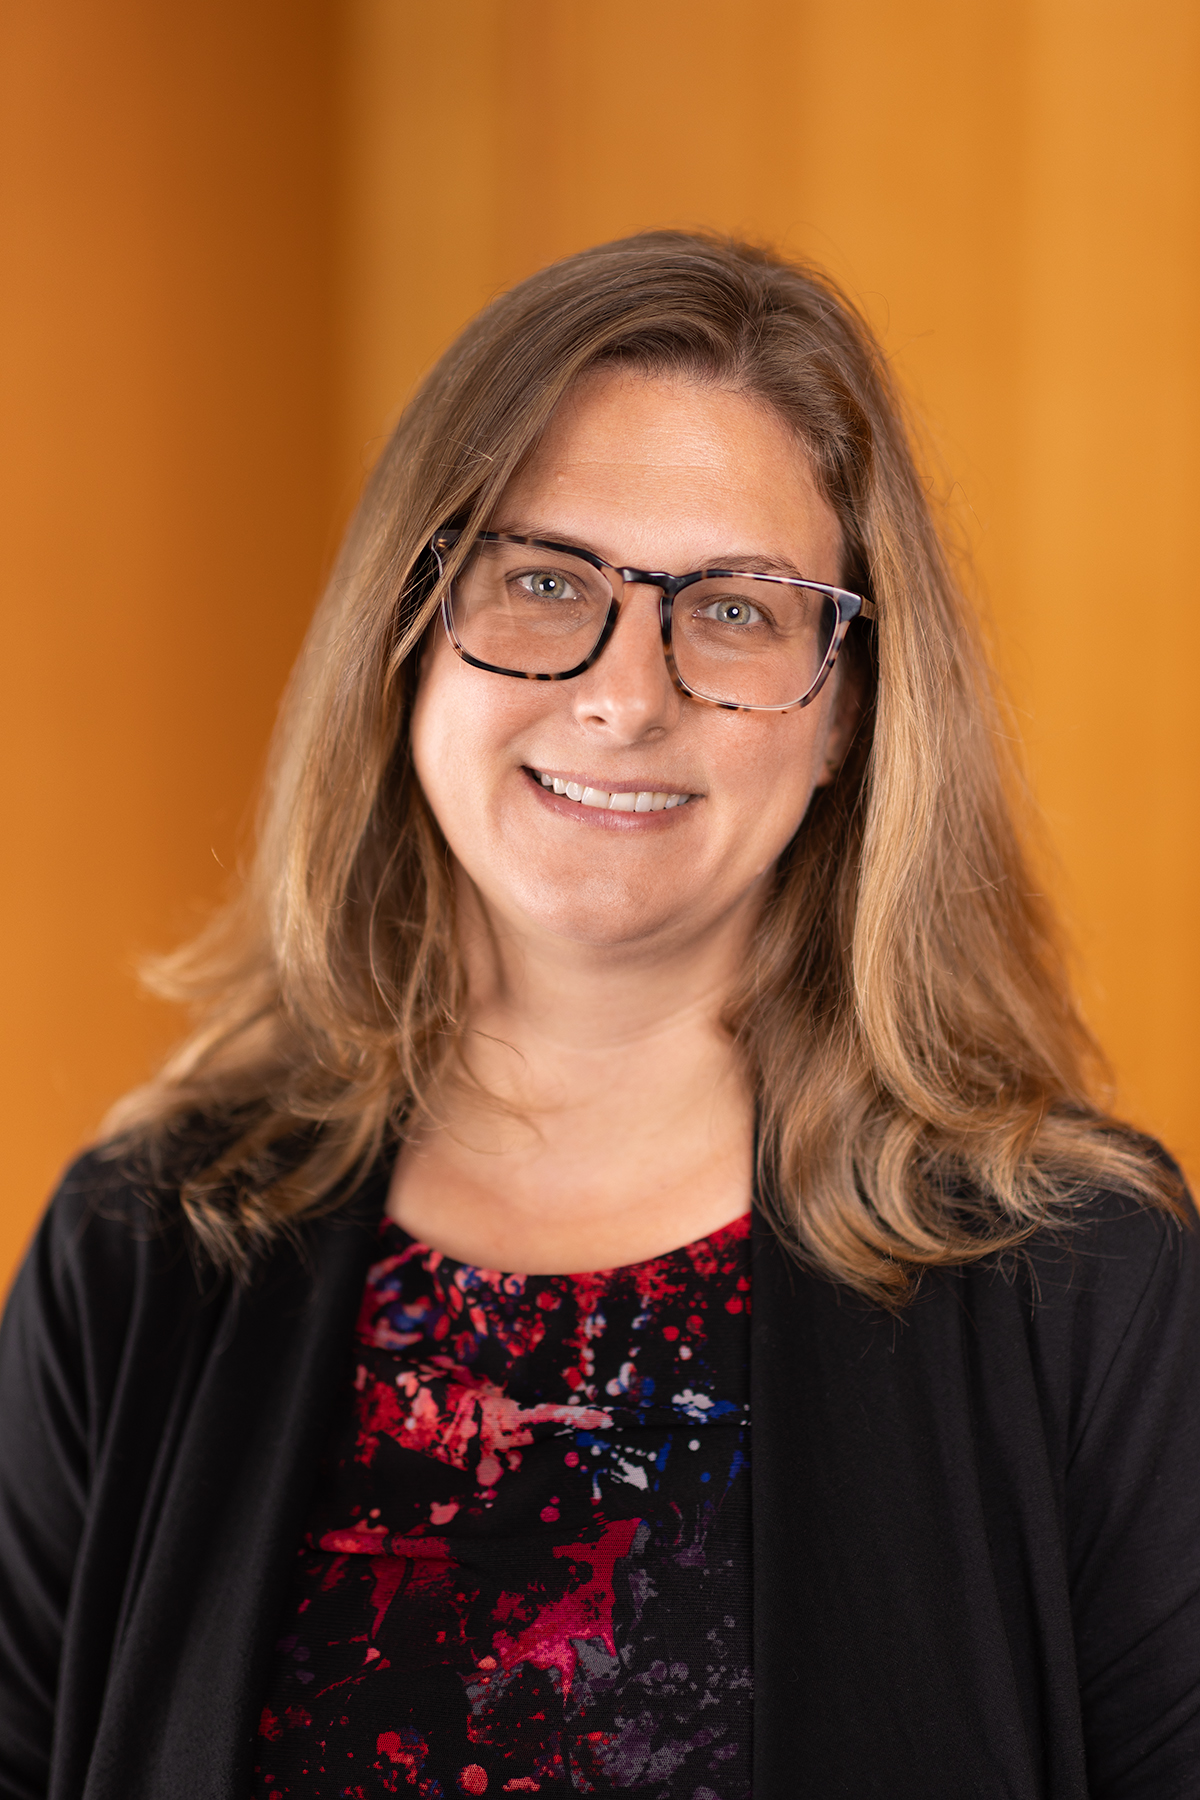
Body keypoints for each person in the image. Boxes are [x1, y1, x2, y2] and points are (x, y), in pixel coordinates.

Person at [1, 231, 1197, 1800]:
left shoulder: (1078, 1280)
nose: (628, 694)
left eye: (738, 611)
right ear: (408, 633)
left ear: (848, 707)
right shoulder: (148, 1251)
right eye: (547, 579)